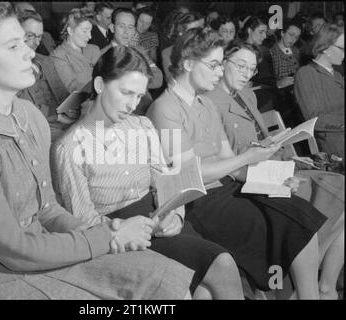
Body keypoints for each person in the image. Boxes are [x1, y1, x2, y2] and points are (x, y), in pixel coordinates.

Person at [0, 2, 195, 300]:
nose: (29, 51)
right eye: (14, 46)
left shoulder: (29, 115)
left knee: (165, 278)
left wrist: (106, 232)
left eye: (25, 42)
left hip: (37, 249)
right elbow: (12, 249)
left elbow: (48, 209)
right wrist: (107, 238)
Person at [147, 28, 327, 299]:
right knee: (280, 222)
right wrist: (247, 158)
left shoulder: (205, 104)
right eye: (214, 65)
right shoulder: (165, 109)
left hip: (225, 187)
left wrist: (271, 179)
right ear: (187, 63)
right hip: (197, 200)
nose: (220, 72)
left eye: (221, 64)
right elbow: (188, 174)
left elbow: (228, 162)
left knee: (299, 214)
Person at [52, 45, 244, 300]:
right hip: (117, 239)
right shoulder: (70, 147)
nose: (132, 104)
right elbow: (82, 220)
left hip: (159, 221)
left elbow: (166, 179)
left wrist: (175, 215)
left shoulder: (141, 126)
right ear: (99, 85)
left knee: (221, 264)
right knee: (195, 285)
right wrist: (124, 230)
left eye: (139, 96)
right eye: (126, 93)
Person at [206, 40, 345, 299]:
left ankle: (325, 284)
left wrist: (276, 142)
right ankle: (309, 281)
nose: (247, 74)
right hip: (251, 173)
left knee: (340, 188)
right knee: (331, 189)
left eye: (252, 69)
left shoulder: (246, 94)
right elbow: (231, 160)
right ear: (223, 63)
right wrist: (265, 157)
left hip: (272, 162)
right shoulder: (211, 101)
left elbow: (256, 138)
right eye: (240, 66)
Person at [15, 9, 73, 142]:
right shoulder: (10, 68)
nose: (36, 42)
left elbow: (62, 92)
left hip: (62, 120)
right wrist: (56, 116)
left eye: (39, 37)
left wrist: (72, 106)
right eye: (30, 35)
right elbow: (21, 108)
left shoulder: (45, 60)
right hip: (37, 126)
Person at [294, 23, 344, 159]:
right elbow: (314, 119)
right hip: (332, 144)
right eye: (342, 48)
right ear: (326, 48)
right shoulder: (305, 74)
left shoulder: (338, 75)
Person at [101, 8, 163, 115]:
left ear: (134, 30)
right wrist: (142, 76)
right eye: (121, 26)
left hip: (145, 108)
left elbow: (158, 79)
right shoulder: (102, 55)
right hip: (116, 112)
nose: (126, 32)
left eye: (130, 27)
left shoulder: (139, 50)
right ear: (112, 27)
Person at [51, 8, 100, 93]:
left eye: (90, 31)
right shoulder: (58, 56)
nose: (90, 36)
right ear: (70, 31)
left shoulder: (94, 49)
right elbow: (73, 90)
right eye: (84, 31)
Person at [269, 19, 305, 127]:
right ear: (282, 33)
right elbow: (266, 82)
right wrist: (279, 84)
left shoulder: (297, 51)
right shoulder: (271, 53)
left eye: (296, 37)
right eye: (291, 34)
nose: (293, 39)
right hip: (282, 100)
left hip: (299, 96)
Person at [161, 12, 205, 84]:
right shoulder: (167, 53)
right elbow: (172, 82)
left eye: (197, 31)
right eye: (191, 31)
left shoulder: (207, 52)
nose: (194, 35)